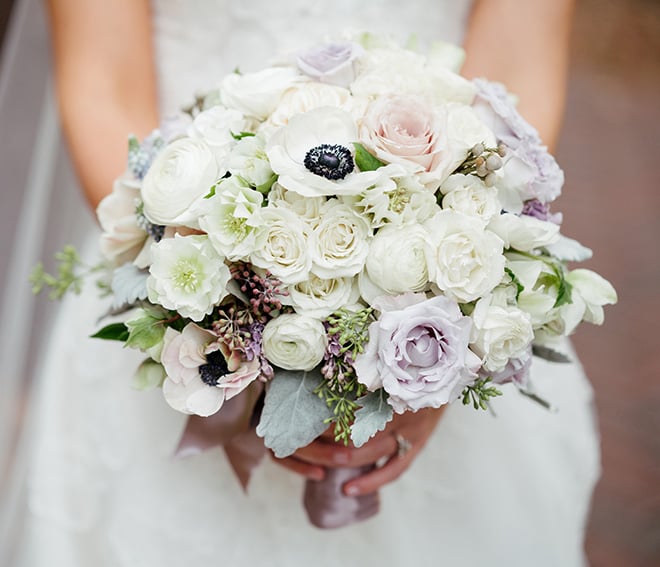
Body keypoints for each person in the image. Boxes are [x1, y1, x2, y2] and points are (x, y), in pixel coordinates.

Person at [15, 0, 598, 565]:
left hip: (445, 251)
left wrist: (442, 356)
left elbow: (516, 74)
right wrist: (217, 310)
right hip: (180, 257)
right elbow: (103, 85)